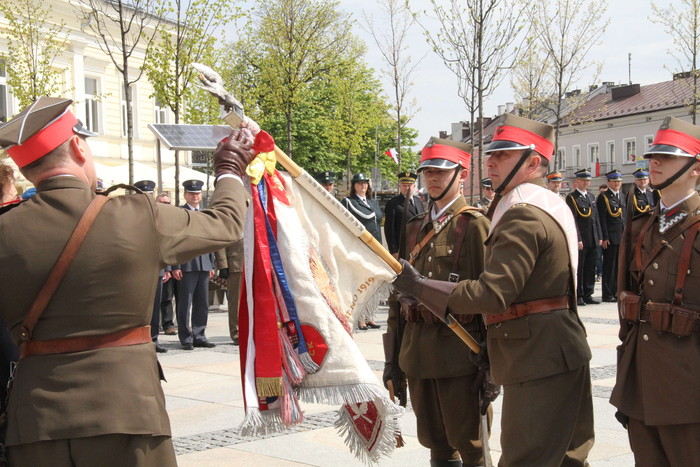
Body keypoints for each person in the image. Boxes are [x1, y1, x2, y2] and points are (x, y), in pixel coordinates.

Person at [0, 96, 254, 465]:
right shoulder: (135, 214)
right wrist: (229, 168)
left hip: (37, 420)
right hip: (128, 412)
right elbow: (225, 224)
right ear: (77, 146)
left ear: (26, 172)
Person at [393, 114, 594, 466]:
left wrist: (423, 288)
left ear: (533, 162)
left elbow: (492, 293)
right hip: (535, 349)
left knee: (520, 455)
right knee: (563, 457)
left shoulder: (519, 215)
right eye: (491, 154)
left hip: (519, 352)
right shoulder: (536, 207)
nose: (491, 161)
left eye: (502, 155)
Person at [385, 137, 490, 466]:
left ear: (462, 174)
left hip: (461, 357)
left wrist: (492, 363)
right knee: (436, 443)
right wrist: (392, 361)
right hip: (417, 355)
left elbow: (491, 297)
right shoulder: (415, 226)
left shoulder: (475, 225)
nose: (432, 178)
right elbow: (398, 296)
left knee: (472, 445)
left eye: (441, 172)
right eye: (427, 171)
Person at [611, 116, 700, 466]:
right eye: (653, 156)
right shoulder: (642, 225)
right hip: (642, 381)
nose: (655, 162)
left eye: (668, 157)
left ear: (695, 168)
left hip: (688, 386)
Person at [172, 179, 218, 350]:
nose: (195, 196)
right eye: (191, 193)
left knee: (202, 302)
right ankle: (185, 337)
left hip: (204, 263)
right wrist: (175, 266)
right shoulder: (180, 214)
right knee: (185, 302)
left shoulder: (205, 213)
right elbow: (175, 241)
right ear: (185, 195)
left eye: (197, 193)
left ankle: (199, 335)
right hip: (186, 265)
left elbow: (209, 240)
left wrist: (211, 263)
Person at [342, 173, 383, 330]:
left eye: (365, 183)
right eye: (359, 183)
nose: (362, 186)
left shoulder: (373, 202)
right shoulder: (348, 202)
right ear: (353, 186)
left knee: (373, 283)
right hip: (359, 247)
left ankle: (370, 315)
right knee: (361, 282)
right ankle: (360, 318)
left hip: (376, 247)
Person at [133, 180, 170, 353]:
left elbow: (165, 243)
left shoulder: (159, 215)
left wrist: (167, 268)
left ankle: (153, 339)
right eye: (143, 194)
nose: (147, 197)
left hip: (156, 268)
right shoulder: (129, 214)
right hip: (136, 270)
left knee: (155, 307)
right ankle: (137, 339)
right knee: (137, 307)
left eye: (149, 194)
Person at [566, 168, 603, 306]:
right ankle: (579, 294)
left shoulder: (591, 197)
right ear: (577, 181)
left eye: (588, 180)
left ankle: (588, 293)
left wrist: (599, 235)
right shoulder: (572, 197)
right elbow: (573, 220)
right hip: (582, 238)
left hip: (593, 237)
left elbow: (596, 218)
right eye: (583, 180)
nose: (586, 183)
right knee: (580, 268)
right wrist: (578, 239)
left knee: (590, 267)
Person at [597, 169, 626, 302]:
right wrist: (604, 237)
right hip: (611, 237)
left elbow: (624, 217)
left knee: (619, 267)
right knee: (609, 266)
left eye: (619, 181)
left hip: (621, 236)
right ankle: (608, 294)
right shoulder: (604, 197)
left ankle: (616, 291)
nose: (617, 184)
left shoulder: (622, 196)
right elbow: (602, 218)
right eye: (614, 181)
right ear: (608, 182)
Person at [383, 171, 424, 258]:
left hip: (419, 246)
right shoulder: (393, 203)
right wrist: (394, 251)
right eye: (404, 185)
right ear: (400, 187)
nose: (407, 188)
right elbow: (389, 230)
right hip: (403, 247)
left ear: (414, 186)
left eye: (409, 185)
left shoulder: (418, 201)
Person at [155, 192, 177, 336]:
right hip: (159, 265)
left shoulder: (174, 220)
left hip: (173, 264)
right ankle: (160, 326)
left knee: (173, 298)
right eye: (162, 202)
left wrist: (172, 268)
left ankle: (172, 324)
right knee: (160, 299)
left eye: (167, 203)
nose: (165, 205)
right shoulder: (153, 219)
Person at [215, 239, 243, 345]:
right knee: (236, 302)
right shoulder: (231, 221)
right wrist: (223, 265)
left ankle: (252, 331)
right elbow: (222, 240)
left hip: (255, 263)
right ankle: (237, 333)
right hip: (236, 263)